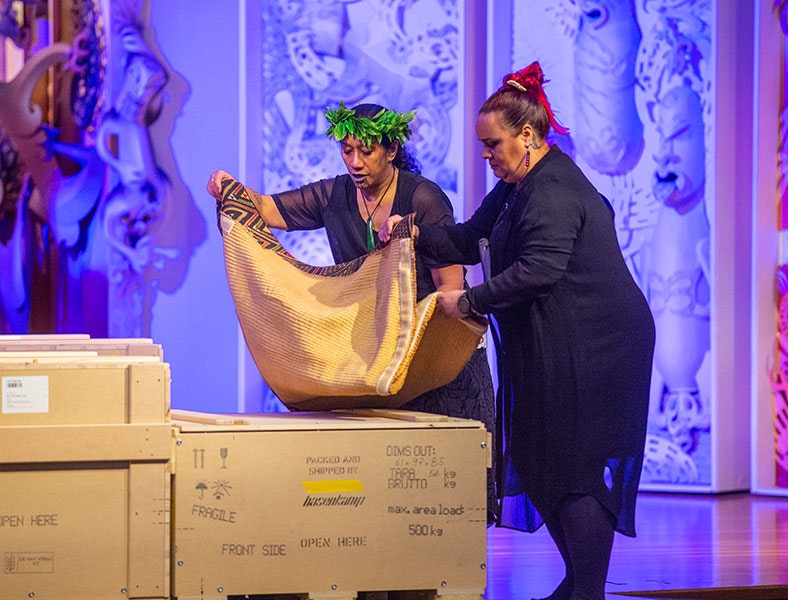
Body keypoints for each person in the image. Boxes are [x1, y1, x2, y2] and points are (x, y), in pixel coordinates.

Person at [380, 62, 656, 600]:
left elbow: (540, 270)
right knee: (534, 453)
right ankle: (578, 582)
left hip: (598, 344)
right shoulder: (514, 187)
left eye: (492, 144)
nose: (486, 156)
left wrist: (470, 301)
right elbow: (466, 239)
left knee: (574, 461)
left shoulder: (552, 188)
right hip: (559, 339)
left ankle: (587, 590)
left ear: (526, 135)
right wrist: (410, 231)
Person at [206, 101, 497, 519]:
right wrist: (229, 187)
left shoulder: (424, 198)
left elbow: (448, 288)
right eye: (347, 151)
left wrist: (420, 350)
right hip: (378, 360)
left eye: (366, 151)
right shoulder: (335, 194)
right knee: (389, 498)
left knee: (447, 495)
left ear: (391, 150)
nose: (355, 162)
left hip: (435, 360)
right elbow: (265, 209)